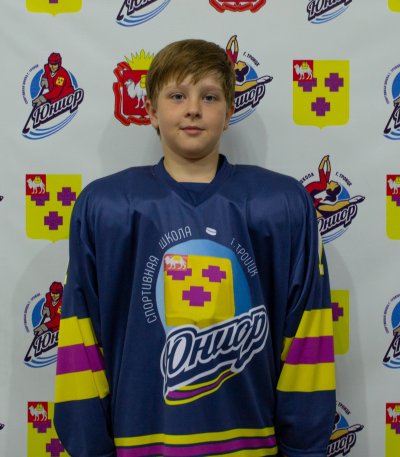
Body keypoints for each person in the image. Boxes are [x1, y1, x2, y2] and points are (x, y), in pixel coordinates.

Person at [54, 39, 336, 457]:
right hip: (140, 442)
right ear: (151, 111)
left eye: (209, 96)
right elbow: (81, 334)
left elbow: (308, 333)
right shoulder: (106, 207)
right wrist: (89, 445)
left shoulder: (281, 204)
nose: (192, 109)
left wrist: (303, 447)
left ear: (229, 111)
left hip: (252, 442)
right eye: (176, 96)